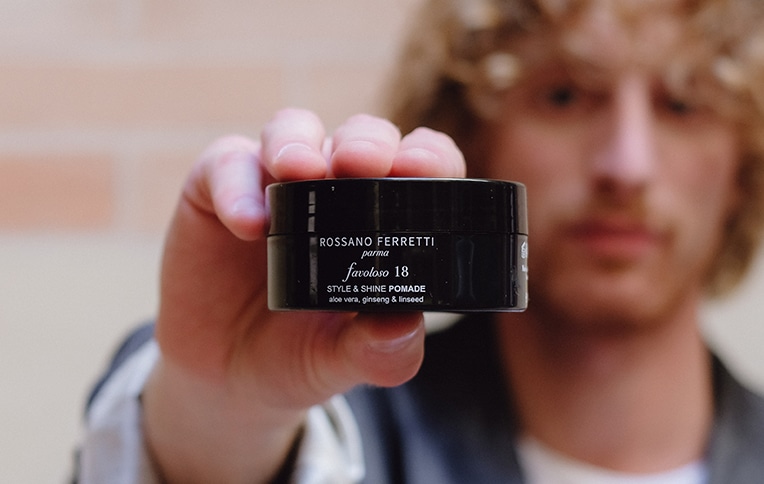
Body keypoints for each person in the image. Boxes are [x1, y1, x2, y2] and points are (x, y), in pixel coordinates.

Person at [75, 0, 764, 482]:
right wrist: (214, 415)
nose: (628, 167)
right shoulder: (329, 428)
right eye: (563, 97)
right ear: (471, 135)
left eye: (684, 104)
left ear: (744, 161)